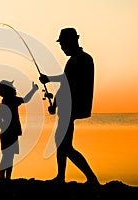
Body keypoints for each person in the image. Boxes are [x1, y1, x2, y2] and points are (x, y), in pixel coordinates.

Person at [39, 28, 100, 186]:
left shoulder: (80, 60)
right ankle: (61, 177)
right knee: (62, 143)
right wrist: (56, 105)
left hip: (71, 108)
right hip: (69, 108)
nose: (62, 48)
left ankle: (91, 178)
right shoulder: (82, 59)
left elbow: (65, 82)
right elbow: (65, 86)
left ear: (72, 41)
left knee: (65, 145)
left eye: (63, 44)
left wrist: (48, 79)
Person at [0, 80, 38, 180]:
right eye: (12, 88)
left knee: (7, 156)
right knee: (9, 157)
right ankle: (6, 178)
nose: (15, 89)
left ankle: (4, 178)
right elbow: (26, 100)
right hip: (12, 132)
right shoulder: (13, 101)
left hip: (7, 133)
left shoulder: (4, 103)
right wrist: (33, 90)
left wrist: (3, 127)